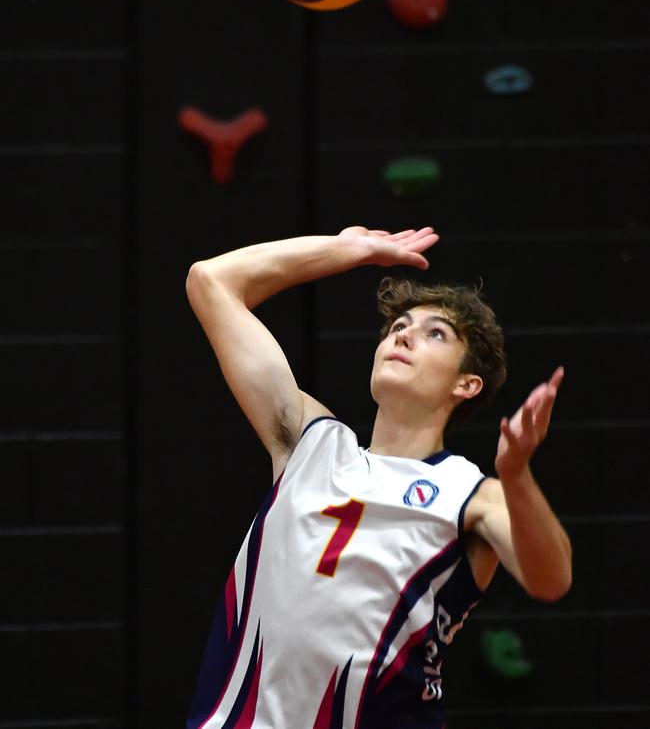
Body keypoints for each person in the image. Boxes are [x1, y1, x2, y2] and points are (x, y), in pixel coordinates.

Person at [185, 225, 572, 729]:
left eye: (435, 333)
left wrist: (516, 473)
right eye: (398, 327)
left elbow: (551, 581)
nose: (404, 334)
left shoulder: (473, 496)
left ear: (466, 384)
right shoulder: (310, 443)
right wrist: (347, 250)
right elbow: (210, 280)